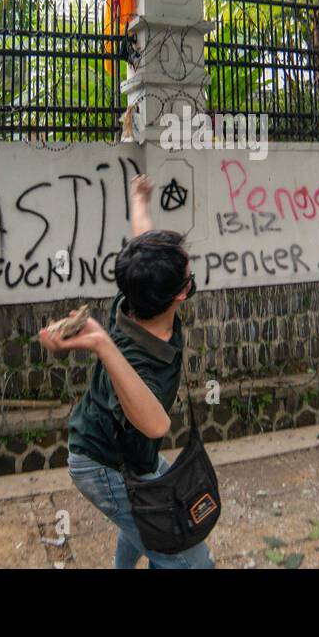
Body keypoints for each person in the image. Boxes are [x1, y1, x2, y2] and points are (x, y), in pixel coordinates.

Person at [39, 173, 214, 569]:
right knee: (190, 560)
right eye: (188, 272)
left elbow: (143, 247)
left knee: (149, 522)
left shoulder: (135, 298)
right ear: (181, 293)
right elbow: (155, 425)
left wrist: (139, 200)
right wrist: (102, 343)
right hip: (102, 462)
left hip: (133, 457)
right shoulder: (139, 362)